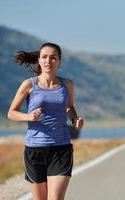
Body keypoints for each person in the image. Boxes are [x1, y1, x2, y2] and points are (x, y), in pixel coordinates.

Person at [8, 42, 84, 200]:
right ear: (39, 61)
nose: (48, 61)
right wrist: (29, 117)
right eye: (44, 57)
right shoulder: (29, 84)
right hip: (35, 150)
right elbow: (11, 113)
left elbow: (69, 107)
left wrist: (75, 119)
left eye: (53, 58)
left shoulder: (67, 85)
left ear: (59, 62)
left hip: (61, 149)